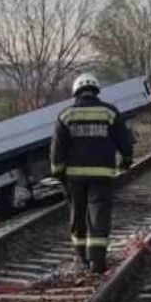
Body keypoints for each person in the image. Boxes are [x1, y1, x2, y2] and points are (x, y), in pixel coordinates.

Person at [50, 73, 133, 274]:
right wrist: (126, 161)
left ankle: (82, 257)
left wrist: (59, 174)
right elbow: (125, 141)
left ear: (76, 92)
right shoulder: (109, 113)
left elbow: (56, 150)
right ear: (96, 91)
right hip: (102, 176)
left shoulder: (66, 115)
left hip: (75, 178)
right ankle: (97, 262)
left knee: (77, 215)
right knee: (99, 217)